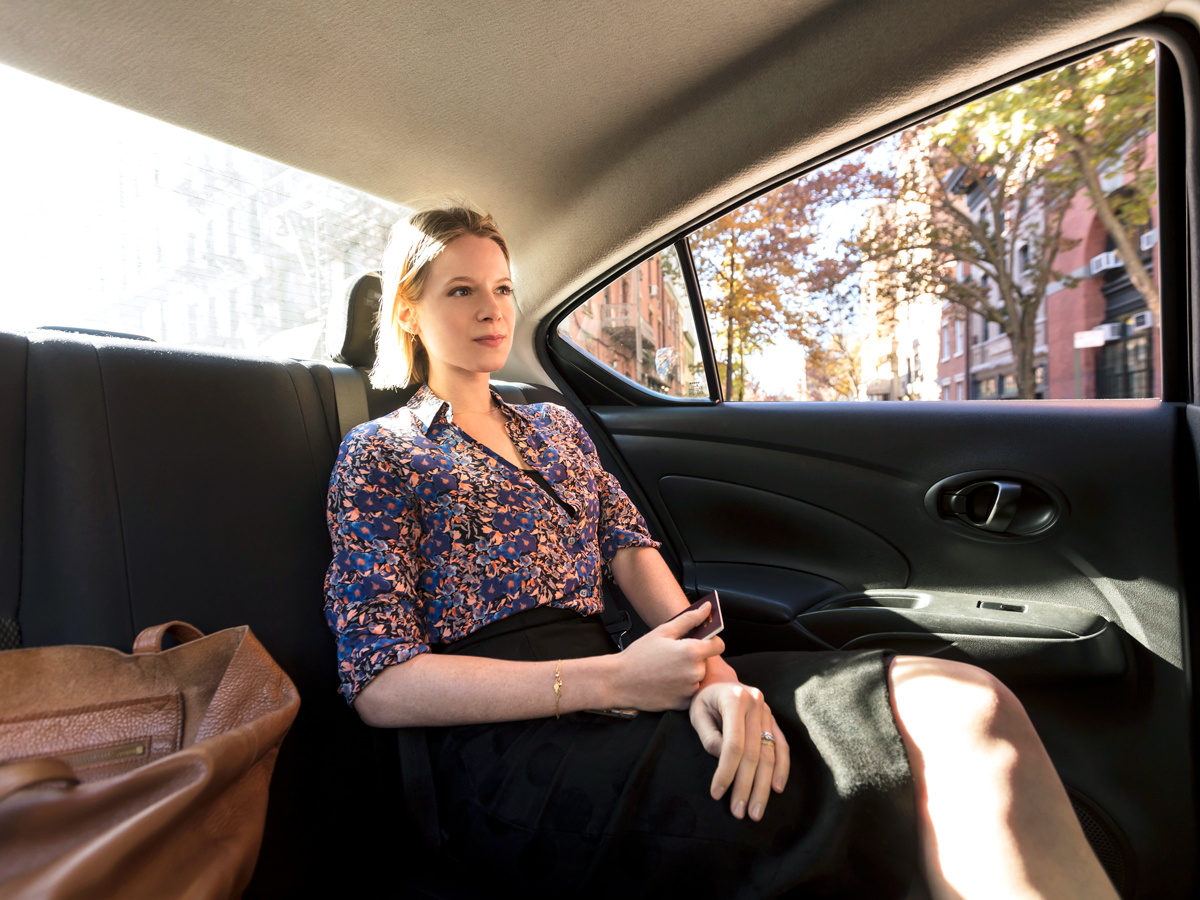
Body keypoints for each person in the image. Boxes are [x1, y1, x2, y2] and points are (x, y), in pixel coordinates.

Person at [324, 205, 1119, 899]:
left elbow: (630, 548)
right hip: (512, 753)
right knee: (873, 786)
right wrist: (614, 678)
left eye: (501, 288)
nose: (491, 309)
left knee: (968, 703)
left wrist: (715, 677)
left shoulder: (554, 427)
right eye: (461, 290)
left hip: (637, 683)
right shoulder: (381, 454)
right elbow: (380, 684)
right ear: (409, 309)